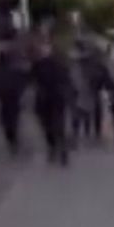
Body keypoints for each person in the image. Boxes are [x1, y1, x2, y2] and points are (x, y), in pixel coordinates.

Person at [29, 27, 74, 166]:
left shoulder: (52, 63)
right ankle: (57, 148)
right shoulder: (39, 64)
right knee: (51, 125)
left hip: (51, 98)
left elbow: (65, 79)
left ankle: (58, 149)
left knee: (54, 125)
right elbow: (32, 81)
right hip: (49, 98)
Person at [0, 38, 30, 156]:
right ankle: (14, 140)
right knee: (13, 120)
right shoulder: (14, 68)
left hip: (5, 98)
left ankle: (12, 141)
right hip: (12, 98)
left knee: (7, 121)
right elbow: (24, 79)